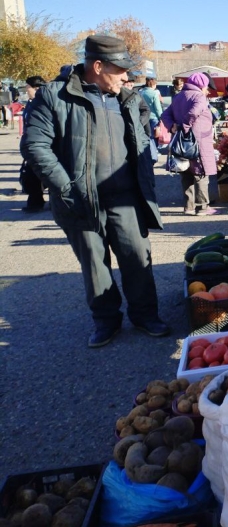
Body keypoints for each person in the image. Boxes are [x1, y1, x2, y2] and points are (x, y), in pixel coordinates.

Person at [21, 35, 169, 348]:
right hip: (79, 200)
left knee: (137, 257)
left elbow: (142, 133)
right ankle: (106, 320)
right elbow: (34, 145)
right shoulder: (54, 96)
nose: (126, 76)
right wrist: (65, 187)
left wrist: (146, 175)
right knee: (94, 263)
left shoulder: (128, 97)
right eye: (120, 70)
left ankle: (144, 315)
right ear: (98, 66)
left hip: (127, 198)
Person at [161, 72, 218, 216]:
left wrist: (173, 126)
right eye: (205, 86)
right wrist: (184, 126)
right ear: (201, 85)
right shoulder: (199, 97)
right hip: (197, 141)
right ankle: (202, 208)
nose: (207, 89)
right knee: (201, 173)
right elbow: (194, 112)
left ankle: (188, 206)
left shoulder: (179, 96)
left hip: (181, 142)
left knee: (186, 173)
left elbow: (165, 115)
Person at [20, 76, 48, 212]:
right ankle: (35, 201)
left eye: (28, 88)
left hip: (39, 145)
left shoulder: (41, 103)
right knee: (33, 176)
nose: (26, 90)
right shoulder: (31, 103)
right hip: (31, 144)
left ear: (35, 88)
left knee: (35, 175)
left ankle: (36, 203)